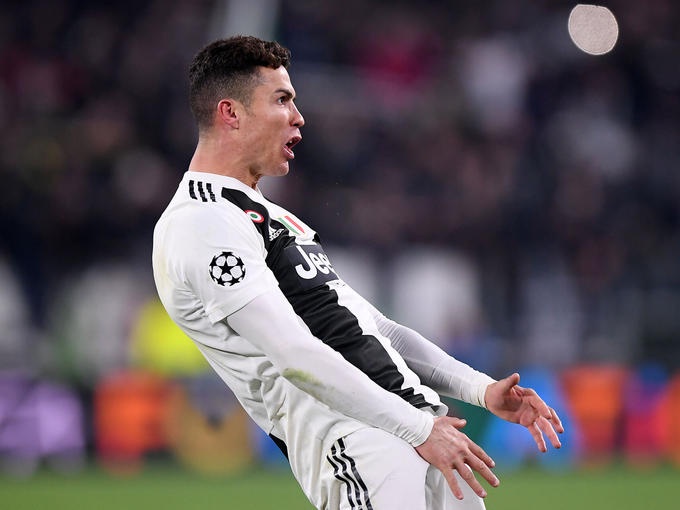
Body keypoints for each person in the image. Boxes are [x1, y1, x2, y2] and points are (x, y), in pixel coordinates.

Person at [152, 35, 563, 510]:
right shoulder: (202, 222)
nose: (298, 117)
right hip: (357, 440)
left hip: (421, 428)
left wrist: (481, 389)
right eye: (282, 100)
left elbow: (376, 329)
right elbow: (293, 353)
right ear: (231, 113)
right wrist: (417, 428)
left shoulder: (273, 217)